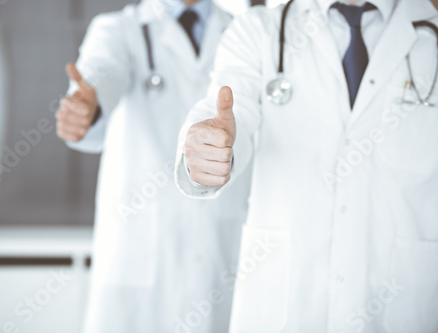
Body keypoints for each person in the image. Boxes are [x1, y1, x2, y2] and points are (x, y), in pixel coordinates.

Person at [176, 0, 438, 332]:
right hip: (284, 306)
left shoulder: (430, 30)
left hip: (407, 303)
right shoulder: (259, 31)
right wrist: (206, 149)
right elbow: (229, 112)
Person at [56, 0, 253, 332]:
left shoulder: (244, 32)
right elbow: (101, 71)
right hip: (140, 260)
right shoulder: (120, 30)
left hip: (222, 253)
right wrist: (88, 107)